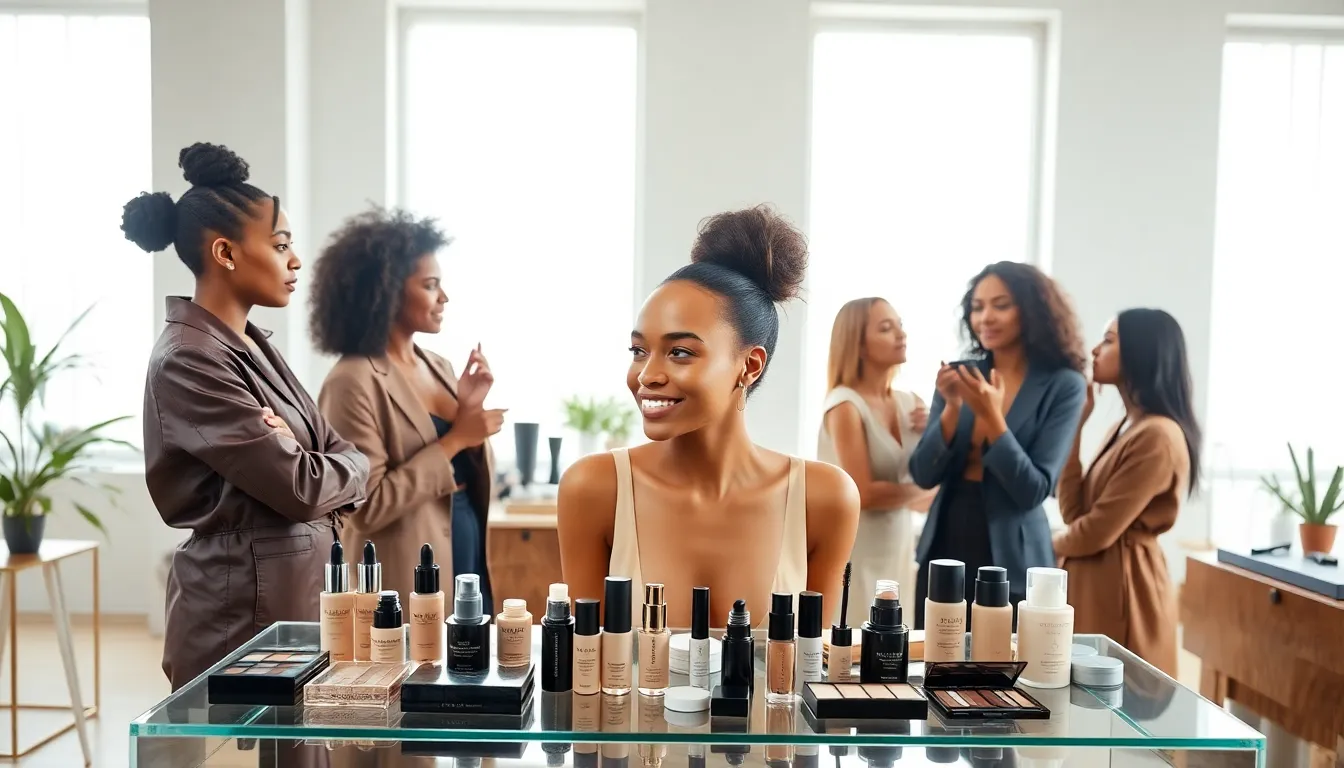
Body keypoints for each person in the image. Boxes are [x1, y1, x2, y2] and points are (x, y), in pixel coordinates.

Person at [124, 142, 370, 690]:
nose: (296, 260)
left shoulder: (253, 347)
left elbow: (339, 451)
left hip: (292, 601)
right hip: (241, 617)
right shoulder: (190, 358)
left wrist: (336, 462)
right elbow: (302, 485)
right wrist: (342, 467)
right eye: (281, 244)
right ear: (226, 253)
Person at [557, 205, 860, 627]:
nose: (647, 375)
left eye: (680, 352)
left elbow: (816, 672)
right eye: (639, 351)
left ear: (750, 366)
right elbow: (583, 664)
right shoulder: (593, 489)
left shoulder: (824, 498)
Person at [311, 208, 505, 613]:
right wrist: (456, 439)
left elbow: (461, 468)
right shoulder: (351, 381)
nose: (444, 298)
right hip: (405, 570)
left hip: (464, 540)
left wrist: (468, 411)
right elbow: (365, 508)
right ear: (386, 291)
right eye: (430, 285)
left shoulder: (439, 365)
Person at [909, 261, 1086, 628]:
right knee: (936, 663)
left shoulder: (1064, 384)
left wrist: (992, 418)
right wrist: (952, 410)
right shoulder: (960, 374)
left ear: (1032, 309)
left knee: (1006, 673)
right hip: (946, 541)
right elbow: (923, 474)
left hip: (1014, 555)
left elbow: (1033, 489)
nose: (985, 317)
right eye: (977, 307)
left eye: (1000, 305)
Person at [1054, 309, 1200, 676]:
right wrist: (1076, 424)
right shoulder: (1125, 427)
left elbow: (1095, 532)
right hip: (1096, 585)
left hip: (1125, 591)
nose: (1094, 350)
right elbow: (1074, 512)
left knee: (1118, 712)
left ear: (1141, 351)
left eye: (1109, 339)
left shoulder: (1157, 436)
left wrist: (1041, 541)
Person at [817, 298, 937, 623]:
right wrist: (924, 487)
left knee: (896, 648)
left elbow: (929, 498)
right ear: (858, 345)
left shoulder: (913, 405)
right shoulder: (845, 406)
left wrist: (938, 430)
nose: (901, 334)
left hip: (898, 546)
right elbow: (864, 494)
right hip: (858, 550)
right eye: (886, 328)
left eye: (900, 324)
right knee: (857, 645)